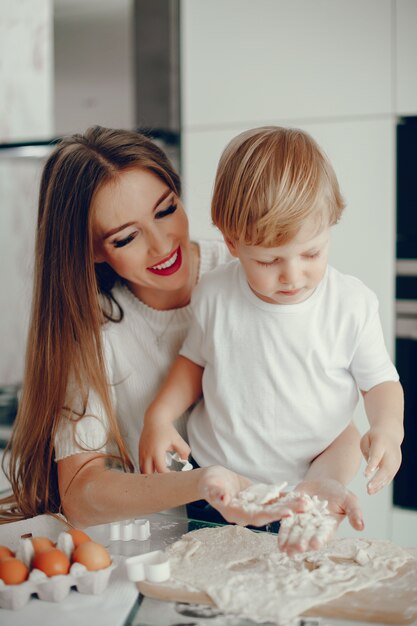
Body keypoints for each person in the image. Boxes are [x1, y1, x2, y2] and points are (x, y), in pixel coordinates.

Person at [0, 125, 311, 531]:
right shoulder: (92, 330)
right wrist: (202, 483)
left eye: (166, 210)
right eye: (127, 237)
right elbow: (80, 493)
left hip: (285, 533)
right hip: (165, 553)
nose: (162, 245)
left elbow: (323, 402)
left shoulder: (253, 269)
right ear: (91, 249)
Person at [140, 126, 404, 548]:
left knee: (290, 594)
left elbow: (380, 382)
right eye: (269, 260)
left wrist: (388, 427)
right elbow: (193, 363)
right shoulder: (214, 292)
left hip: (307, 490)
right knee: (209, 592)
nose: (293, 275)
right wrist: (159, 416)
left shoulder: (351, 304)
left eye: (312, 253)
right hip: (219, 487)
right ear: (232, 243)